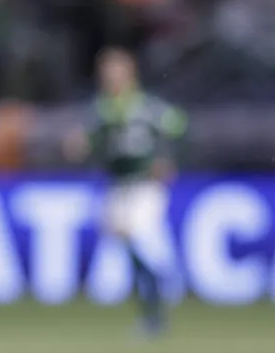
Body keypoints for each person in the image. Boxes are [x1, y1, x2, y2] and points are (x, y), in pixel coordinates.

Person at [65, 47, 187, 336]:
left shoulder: (146, 106)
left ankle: (157, 304)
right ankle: (152, 304)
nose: (110, 76)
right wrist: (79, 145)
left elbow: (180, 128)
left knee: (134, 235)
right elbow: (88, 141)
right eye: (106, 71)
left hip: (145, 184)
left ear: (130, 72)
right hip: (118, 186)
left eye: (115, 70)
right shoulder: (102, 109)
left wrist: (167, 159)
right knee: (125, 242)